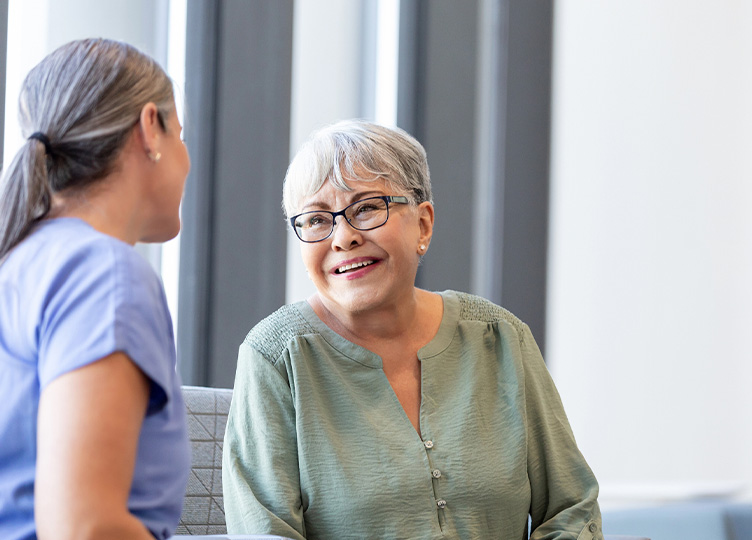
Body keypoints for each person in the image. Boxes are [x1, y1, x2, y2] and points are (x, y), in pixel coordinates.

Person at [223, 119, 603, 540]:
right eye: (315, 220)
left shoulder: (499, 337)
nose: (343, 237)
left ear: (423, 224)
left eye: (366, 208)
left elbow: (573, 508)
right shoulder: (275, 357)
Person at [0, 38, 191, 540]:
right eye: (183, 136)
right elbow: (83, 528)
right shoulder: (102, 275)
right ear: (151, 127)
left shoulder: (24, 261)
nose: (188, 161)